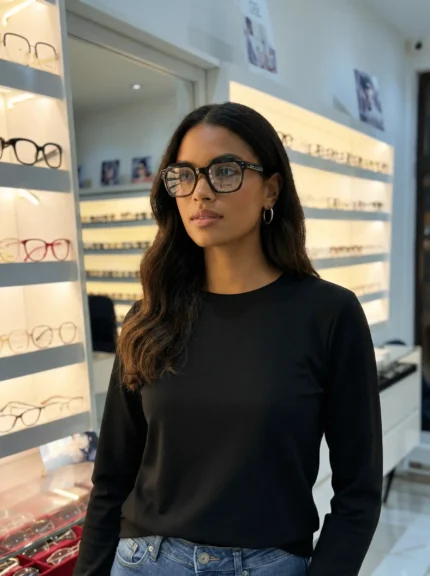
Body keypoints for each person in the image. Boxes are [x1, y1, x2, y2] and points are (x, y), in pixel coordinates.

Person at [74, 102, 382, 576]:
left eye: (224, 171)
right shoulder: (150, 317)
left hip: (267, 564)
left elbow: (359, 490)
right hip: (144, 562)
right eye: (185, 175)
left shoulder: (328, 315)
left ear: (271, 189)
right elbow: (113, 476)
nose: (200, 191)